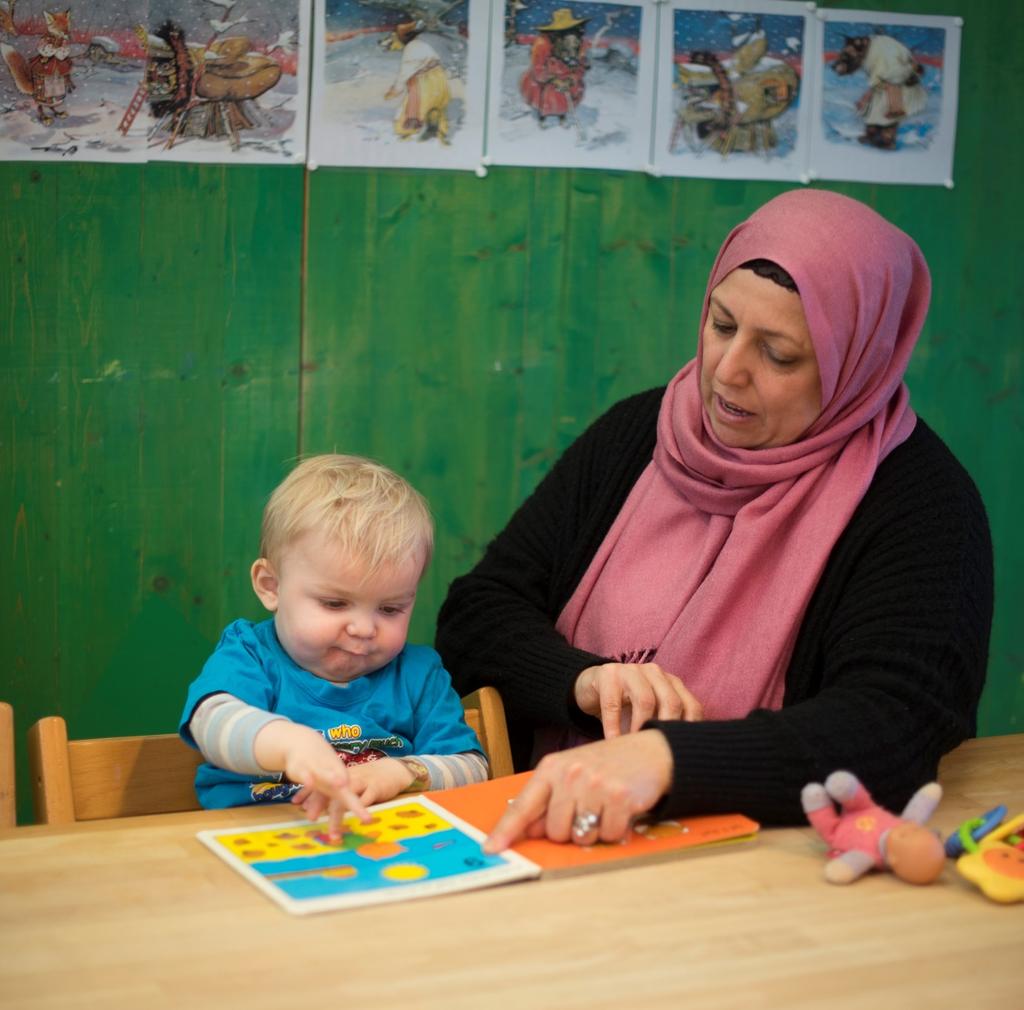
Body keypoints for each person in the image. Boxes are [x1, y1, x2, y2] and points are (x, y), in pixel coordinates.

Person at [435, 189, 993, 850]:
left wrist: (667, 760)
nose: (727, 371)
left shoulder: (921, 503)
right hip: (561, 838)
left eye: (779, 355)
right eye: (722, 324)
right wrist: (583, 680)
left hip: (772, 870)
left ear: (856, 364)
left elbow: (893, 726)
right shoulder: (638, 434)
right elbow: (476, 617)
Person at [180, 454, 487, 840]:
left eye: (390, 608)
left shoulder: (418, 674)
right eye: (335, 603)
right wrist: (289, 744)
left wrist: (403, 772)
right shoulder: (251, 654)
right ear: (271, 586)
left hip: (382, 844)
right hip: (254, 838)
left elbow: (473, 768)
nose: (363, 628)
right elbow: (210, 720)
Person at [520, 7, 589, 129]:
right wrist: (556, 81)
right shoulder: (541, 44)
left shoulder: (579, 43)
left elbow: (581, 66)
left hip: (567, 76)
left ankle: (562, 115)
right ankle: (543, 117)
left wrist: (570, 80)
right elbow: (538, 69)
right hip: (546, 78)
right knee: (548, 96)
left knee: (565, 97)